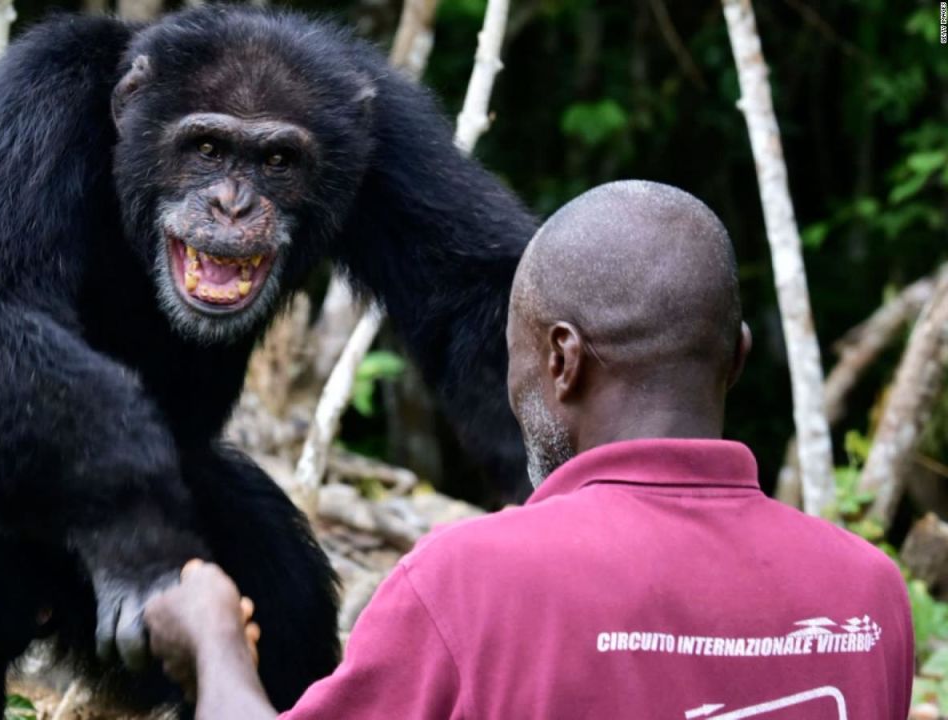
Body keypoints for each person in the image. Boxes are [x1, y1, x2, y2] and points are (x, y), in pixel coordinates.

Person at [144, 180, 914, 719]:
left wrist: (213, 647)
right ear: (737, 357)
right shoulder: (871, 595)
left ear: (561, 360)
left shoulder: (467, 584)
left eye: (514, 359)